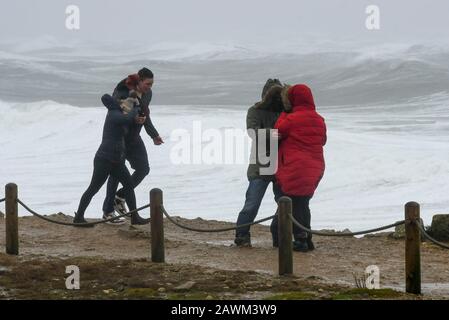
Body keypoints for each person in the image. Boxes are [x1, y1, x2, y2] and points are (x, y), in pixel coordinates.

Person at [74, 94, 150, 226]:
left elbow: (132, 127)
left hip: (117, 160)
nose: (128, 109)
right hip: (104, 159)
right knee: (93, 188)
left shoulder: (123, 116)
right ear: (122, 106)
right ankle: (79, 217)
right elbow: (125, 118)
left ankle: (135, 217)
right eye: (127, 107)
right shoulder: (114, 114)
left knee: (128, 186)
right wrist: (134, 110)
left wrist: (139, 118)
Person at [270, 84, 326, 252]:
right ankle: (307, 239)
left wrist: (283, 114)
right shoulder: (319, 119)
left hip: (295, 166)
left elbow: (275, 133)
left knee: (293, 202)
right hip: (315, 166)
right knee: (303, 202)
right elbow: (322, 140)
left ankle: (300, 239)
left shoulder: (291, 118)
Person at [102, 68, 163, 221]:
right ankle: (108, 211)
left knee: (143, 168)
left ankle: (120, 197)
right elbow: (115, 110)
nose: (150, 87)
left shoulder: (148, 93)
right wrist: (133, 117)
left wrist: (154, 135)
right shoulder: (123, 89)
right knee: (116, 174)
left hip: (134, 137)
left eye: (152, 84)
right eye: (147, 84)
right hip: (120, 137)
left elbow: (145, 114)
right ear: (139, 80)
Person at [234, 79, 285, 247]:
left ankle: (278, 233)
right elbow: (252, 132)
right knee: (252, 204)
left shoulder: (286, 111)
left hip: (282, 165)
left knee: (285, 204)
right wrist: (275, 133)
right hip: (260, 165)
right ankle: (242, 236)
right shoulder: (254, 110)